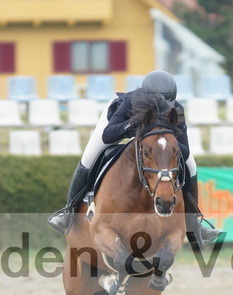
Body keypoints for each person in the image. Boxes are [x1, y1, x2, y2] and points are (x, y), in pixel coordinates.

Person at [47, 70, 220, 246]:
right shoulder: (130, 102)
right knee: (88, 159)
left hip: (154, 143)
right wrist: (134, 123)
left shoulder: (176, 109)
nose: (163, 108)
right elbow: (108, 136)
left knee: (191, 163)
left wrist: (168, 137)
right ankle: (68, 213)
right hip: (115, 127)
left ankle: (194, 223)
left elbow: (184, 149)